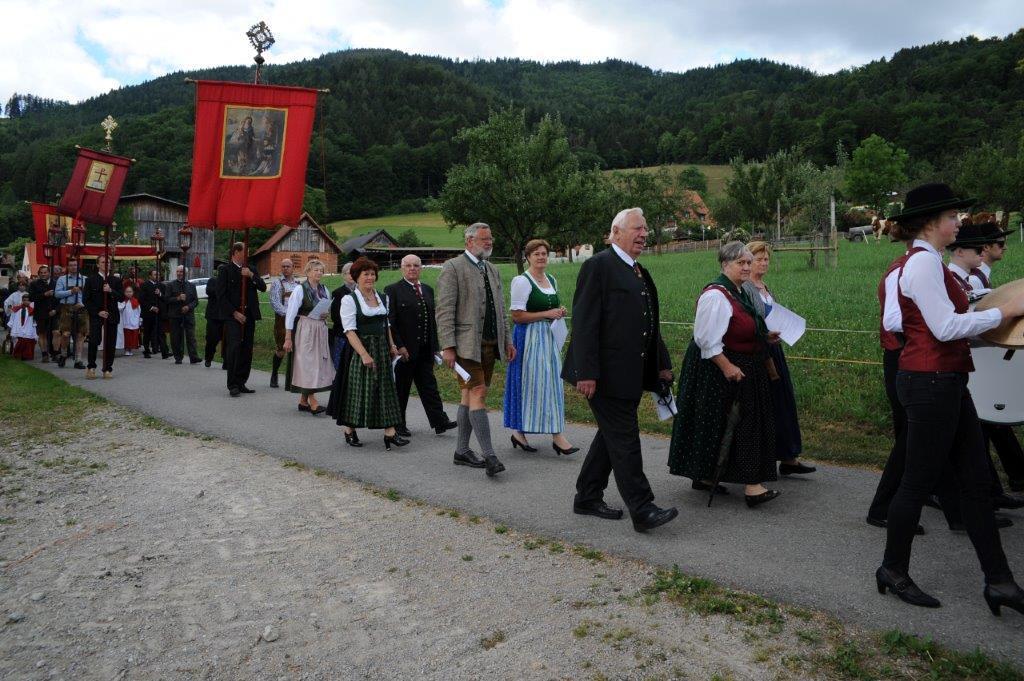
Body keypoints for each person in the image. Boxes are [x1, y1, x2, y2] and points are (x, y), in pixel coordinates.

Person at [877, 183, 1024, 614]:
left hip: (945, 380)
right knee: (916, 483)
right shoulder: (923, 264)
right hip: (930, 383)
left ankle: (1000, 581)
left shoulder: (929, 262)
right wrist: (1004, 313)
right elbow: (943, 328)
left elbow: (943, 324)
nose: (958, 222)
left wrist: (996, 327)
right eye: (951, 216)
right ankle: (892, 569)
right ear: (930, 222)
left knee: (975, 483)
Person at [562, 208, 678, 532]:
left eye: (645, 229)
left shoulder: (638, 271)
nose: (644, 234)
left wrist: (661, 363)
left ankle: (587, 496)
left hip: (629, 373)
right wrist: (586, 372)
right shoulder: (598, 266)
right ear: (616, 232)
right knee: (624, 439)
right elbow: (584, 323)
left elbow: (648, 324)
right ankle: (642, 508)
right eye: (637, 228)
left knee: (611, 436)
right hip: (604, 376)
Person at [668, 241, 781, 507]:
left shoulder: (738, 291)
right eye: (740, 263)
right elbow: (706, 340)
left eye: (748, 262)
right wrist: (728, 367)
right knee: (741, 423)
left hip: (741, 364)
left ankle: (707, 475)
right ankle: (752, 487)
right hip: (718, 367)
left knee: (725, 423)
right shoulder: (716, 295)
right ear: (725, 264)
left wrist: (764, 336)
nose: (747, 267)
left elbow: (741, 326)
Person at [436, 223, 516, 477]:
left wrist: (507, 340)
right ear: (469, 241)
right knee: (478, 392)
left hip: (490, 344)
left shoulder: (491, 269)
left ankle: (461, 451)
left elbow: (500, 309)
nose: (489, 242)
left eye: (490, 238)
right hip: (465, 346)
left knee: (468, 396)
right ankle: (490, 456)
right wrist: (448, 346)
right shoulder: (453, 267)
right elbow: (444, 310)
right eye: (484, 239)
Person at [742, 242, 814, 476]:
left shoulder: (764, 287)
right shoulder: (745, 288)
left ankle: (788, 456)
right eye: (758, 259)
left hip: (774, 350)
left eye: (766, 259)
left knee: (783, 400)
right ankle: (765, 459)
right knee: (767, 404)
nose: (763, 263)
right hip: (759, 352)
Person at [964, 220, 1024, 495]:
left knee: (988, 426)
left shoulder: (980, 277)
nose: (1004, 247)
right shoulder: (973, 280)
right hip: (974, 358)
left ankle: (1001, 484)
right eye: (999, 243)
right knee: (982, 426)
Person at [503, 239, 577, 455]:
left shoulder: (551, 279)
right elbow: (517, 316)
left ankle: (555, 434)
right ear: (528, 257)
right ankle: (523, 432)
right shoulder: (521, 281)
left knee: (551, 383)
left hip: (548, 337)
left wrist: (558, 312)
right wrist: (547, 313)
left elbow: (550, 308)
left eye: (544, 253)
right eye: (536, 254)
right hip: (529, 338)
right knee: (531, 384)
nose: (541, 257)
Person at [326, 257, 407, 449]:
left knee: (385, 389)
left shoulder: (382, 297)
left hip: (382, 349)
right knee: (359, 390)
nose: (370, 278)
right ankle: (349, 429)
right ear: (356, 277)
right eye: (366, 274)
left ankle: (390, 432)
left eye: (372, 274)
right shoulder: (349, 299)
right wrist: (364, 354)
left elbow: (386, 324)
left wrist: (392, 345)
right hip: (360, 349)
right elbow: (349, 331)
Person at [384, 255, 457, 438]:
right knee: (402, 388)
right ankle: (398, 424)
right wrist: (399, 345)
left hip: (425, 348)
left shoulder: (427, 289)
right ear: (402, 268)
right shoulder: (392, 290)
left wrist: (435, 346)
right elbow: (390, 322)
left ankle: (440, 421)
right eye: (408, 266)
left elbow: (432, 320)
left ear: (421, 268)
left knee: (429, 386)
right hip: (405, 350)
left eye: (416, 265)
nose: (412, 269)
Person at [214, 242, 267, 396]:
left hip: (249, 315)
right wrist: (234, 313)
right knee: (234, 347)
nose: (247, 255)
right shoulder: (225, 270)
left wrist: (250, 275)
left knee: (247, 349)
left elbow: (263, 287)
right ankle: (232, 384)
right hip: (233, 316)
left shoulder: (251, 269)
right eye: (245, 251)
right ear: (236, 252)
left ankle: (241, 381)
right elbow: (221, 295)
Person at [283, 259, 335, 414]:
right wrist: (288, 337)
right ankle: (313, 402)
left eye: (321, 270)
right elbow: (290, 314)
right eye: (315, 270)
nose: (319, 273)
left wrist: (325, 314)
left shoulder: (324, 289)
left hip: (320, 329)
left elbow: (326, 308)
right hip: (305, 329)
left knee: (316, 364)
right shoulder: (300, 290)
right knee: (307, 364)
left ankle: (303, 401)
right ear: (308, 272)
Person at [83, 254, 123, 379]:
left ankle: (107, 368)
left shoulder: (116, 280)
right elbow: (86, 300)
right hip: (97, 315)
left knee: (110, 342)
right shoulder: (90, 280)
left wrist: (111, 291)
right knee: (94, 341)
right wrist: (97, 312)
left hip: (112, 314)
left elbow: (122, 297)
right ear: (97, 264)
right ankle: (91, 367)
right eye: (103, 262)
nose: (106, 264)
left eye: (108, 262)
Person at [268, 258, 299, 388]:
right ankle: (274, 373)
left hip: (297, 320)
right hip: (282, 320)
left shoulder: (298, 284)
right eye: (283, 266)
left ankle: (293, 379)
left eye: (288, 266)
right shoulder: (277, 283)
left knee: (297, 349)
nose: (285, 268)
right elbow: (275, 302)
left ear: (293, 268)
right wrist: (289, 314)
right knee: (281, 350)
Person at [54, 260, 88, 369]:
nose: (73, 267)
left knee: (80, 335)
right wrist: (71, 292)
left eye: (75, 265)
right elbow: (57, 294)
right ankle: (64, 354)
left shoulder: (85, 279)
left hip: (81, 308)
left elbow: (89, 295)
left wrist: (82, 303)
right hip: (66, 307)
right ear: (67, 267)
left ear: (78, 266)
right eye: (71, 265)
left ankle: (78, 360)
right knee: (65, 334)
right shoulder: (62, 279)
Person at [166, 265, 201, 364]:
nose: (179, 273)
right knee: (176, 337)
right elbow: (166, 299)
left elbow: (195, 301)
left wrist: (188, 307)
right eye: (177, 271)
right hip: (175, 315)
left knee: (191, 337)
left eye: (181, 272)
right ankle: (178, 357)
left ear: (186, 273)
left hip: (188, 315)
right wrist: (177, 298)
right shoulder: (171, 285)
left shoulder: (191, 285)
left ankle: (193, 357)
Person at [28, 265, 57, 362]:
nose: (43, 274)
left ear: (49, 273)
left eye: (45, 272)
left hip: (54, 312)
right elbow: (31, 298)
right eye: (41, 273)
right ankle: (44, 354)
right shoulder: (34, 284)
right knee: (42, 333)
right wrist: (44, 294)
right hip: (40, 312)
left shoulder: (55, 283)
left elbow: (59, 298)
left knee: (56, 332)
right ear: (39, 274)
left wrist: (55, 310)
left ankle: (55, 353)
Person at [139, 268, 169, 359]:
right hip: (148, 313)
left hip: (159, 313)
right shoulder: (144, 285)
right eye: (155, 275)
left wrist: (160, 294)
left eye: (158, 275)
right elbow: (141, 299)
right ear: (150, 276)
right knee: (147, 332)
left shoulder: (162, 286)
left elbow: (165, 299)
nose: (157, 276)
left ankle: (164, 352)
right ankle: (147, 350)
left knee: (161, 332)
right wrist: (151, 308)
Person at [204, 273, 224, 368]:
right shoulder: (212, 280)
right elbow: (209, 291)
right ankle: (208, 358)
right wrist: (222, 290)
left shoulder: (228, 281)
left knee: (227, 340)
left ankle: (226, 361)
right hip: (213, 316)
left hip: (226, 315)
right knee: (211, 339)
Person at [7, 293, 35, 360]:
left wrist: (34, 327)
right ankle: (18, 354)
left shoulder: (32, 310)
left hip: (28, 327)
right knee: (19, 341)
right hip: (18, 327)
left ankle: (26, 355)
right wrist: (10, 325)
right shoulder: (17, 309)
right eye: (24, 300)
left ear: (29, 301)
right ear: (22, 301)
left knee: (27, 341)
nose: (26, 302)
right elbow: (12, 317)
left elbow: (34, 320)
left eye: (27, 300)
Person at [118, 285, 142, 356]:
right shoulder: (123, 301)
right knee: (126, 336)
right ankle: (126, 349)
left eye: (130, 292)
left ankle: (130, 349)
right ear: (124, 293)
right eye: (127, 292)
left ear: (133, 292)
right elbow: (120, 309)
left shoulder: (135, 301)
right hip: (125, 321)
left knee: (132, 336)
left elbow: (139, 311)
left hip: (133, 321)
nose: (129, 293)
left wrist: (139, 320)